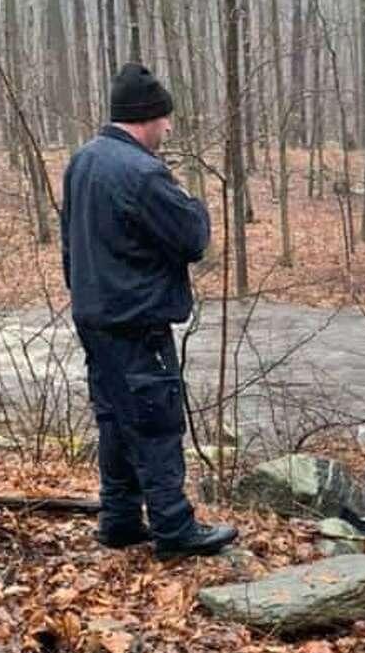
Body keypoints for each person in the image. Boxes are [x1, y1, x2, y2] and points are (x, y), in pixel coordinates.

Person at [60, 62, 237, 559]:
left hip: (94, 315)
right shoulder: (141, 172)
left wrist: (83, 294)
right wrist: (194, 203)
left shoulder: (83, 161)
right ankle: (173, 528)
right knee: (157, 421)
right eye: (165, 120)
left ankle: (118, 519)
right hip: (136, 319)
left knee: (116, 419)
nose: (169, 129)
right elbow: (192, 238)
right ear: (147, 117)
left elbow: (69, 243)